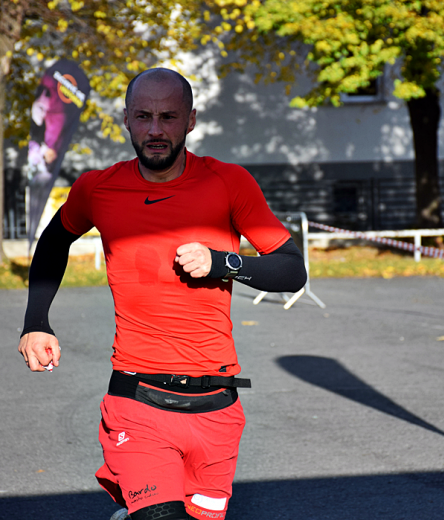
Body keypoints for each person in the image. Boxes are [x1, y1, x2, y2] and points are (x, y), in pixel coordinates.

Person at [17, 68, 307, 520]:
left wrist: (225, 262)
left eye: (169, 117)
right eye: (144, 116)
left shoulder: (228, 183)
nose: (155, 130)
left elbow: (292, 269)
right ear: (127, 120)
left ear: (190, 120)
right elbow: (54, 241)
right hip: (137, 401)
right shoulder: (98, 189)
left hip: (217, 409)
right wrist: (36, 323)